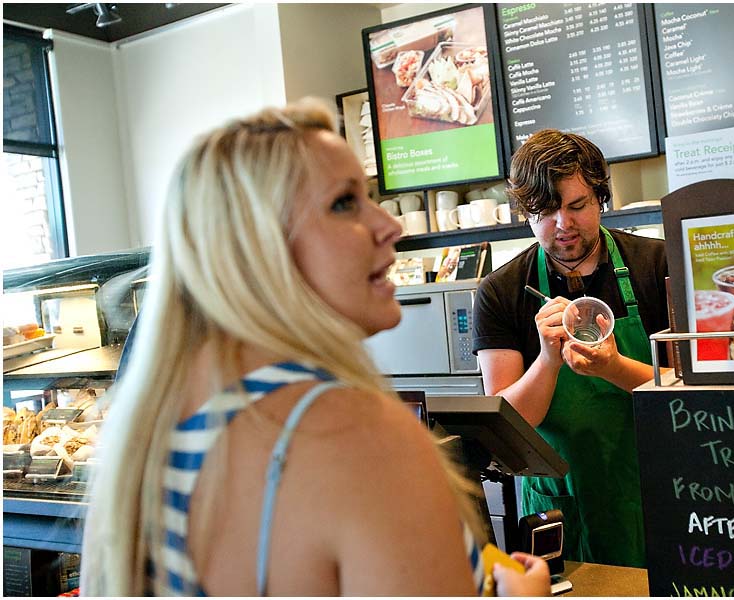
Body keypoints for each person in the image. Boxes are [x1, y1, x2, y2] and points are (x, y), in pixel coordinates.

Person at [80, 99, 549, 596]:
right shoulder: (360, 434)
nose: (389, 226)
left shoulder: (155, 437)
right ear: (258, 246)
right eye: (344, 203)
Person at [472, 129, 669, 567]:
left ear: (601, 198)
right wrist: (547, 360)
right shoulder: (501, 292)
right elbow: (507, 430)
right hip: (560, 506)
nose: (563, 224)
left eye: (577, 205)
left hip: (653, 493)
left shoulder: (656, 265)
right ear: (525, 214)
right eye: (544, 211)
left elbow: (687, 395)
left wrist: (614, 366)